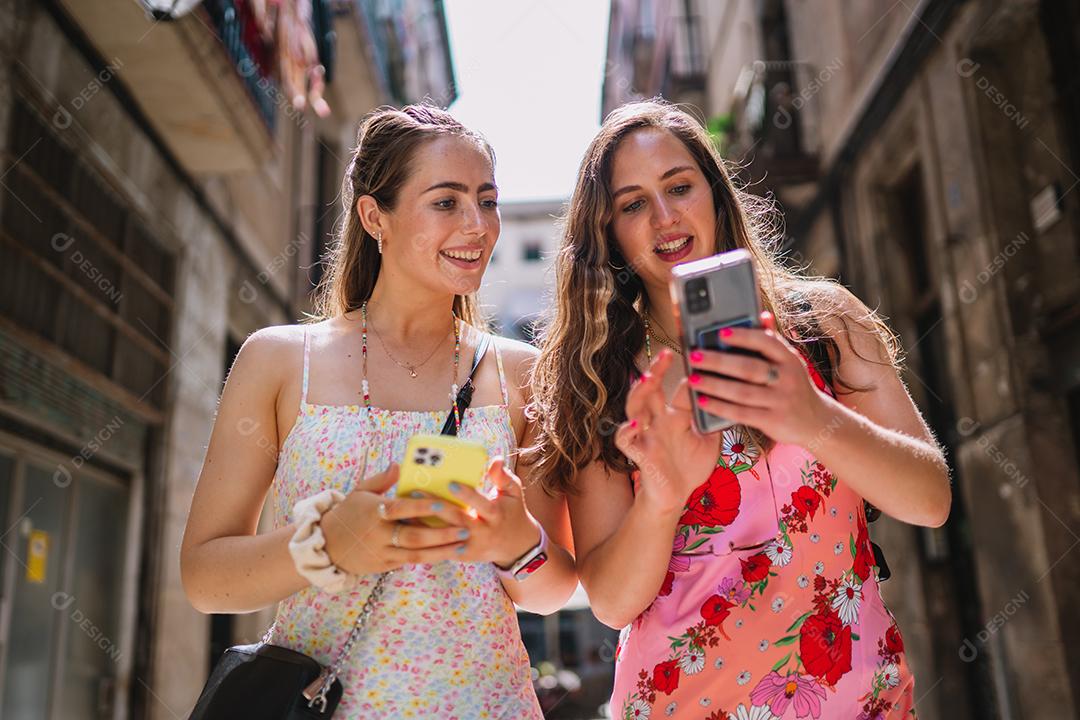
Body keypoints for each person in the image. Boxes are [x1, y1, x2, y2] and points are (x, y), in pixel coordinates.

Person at [527, 100, 951, 719]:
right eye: (632, 204)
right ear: (609, 233)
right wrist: (662, 497)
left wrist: (813, 418)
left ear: (716, 195)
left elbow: (930, 500)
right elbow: (614, 602)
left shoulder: (822, 325)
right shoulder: (600, 380)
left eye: (679, 187)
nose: (665, 218)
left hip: (858, 700)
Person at [181, 104, 576, 718]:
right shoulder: (281, 360)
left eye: (488, 200)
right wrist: (326, 545)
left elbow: (552, 590)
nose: (478, 225)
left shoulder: (521, 372)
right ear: (375, 217)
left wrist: (518, 540)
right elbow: (205, 577)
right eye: (446, 202)